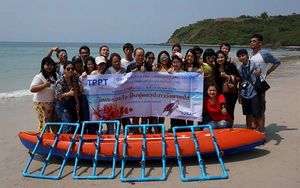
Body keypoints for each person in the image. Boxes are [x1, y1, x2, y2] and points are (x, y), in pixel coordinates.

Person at [249, 34, 281, 132]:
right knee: (253, 107)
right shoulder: (250, 54)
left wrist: (268, 72)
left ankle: (262, 131)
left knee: (261, 107)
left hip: (260, 84)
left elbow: (277, 62)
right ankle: (256, 128)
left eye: (254, 41)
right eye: (250, 41)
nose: (251, 43)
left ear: (260, 43)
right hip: (251, 85)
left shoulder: (264, 53)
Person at [237, 49, 264, 132]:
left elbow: (259, 70)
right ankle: (248, 130)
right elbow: (240, 82)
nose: (241, 57)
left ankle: (261, 132)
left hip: (254, 92)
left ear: (247, 56)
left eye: (243, 55)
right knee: (248, 113)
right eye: (239, 56)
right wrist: (239, 94)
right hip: (245, 93)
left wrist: (258, 72)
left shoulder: (254, 64)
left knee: (257, 114)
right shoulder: (240, 68)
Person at [30, 57, 58, 133]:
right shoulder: (39, 76)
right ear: (43, 66)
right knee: (45, 122)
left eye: (51, 65)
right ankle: (43, 139)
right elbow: (32, 89)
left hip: (51, 103)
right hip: (40, 103)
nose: (49, 67)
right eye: (47, 65)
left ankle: (54, 138)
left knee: (54, 122)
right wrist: (44, 85)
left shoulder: (54, 75)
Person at [214, 50, 240, 124]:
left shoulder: (230, 66)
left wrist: (226, 76)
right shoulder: (215, 68)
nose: (220, 59)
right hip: (219, 94)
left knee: (230, 111)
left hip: (231, 93)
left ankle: (230, 127)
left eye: (222, 57)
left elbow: (238, 78)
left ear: (225, 57)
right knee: (221, 110)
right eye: (218, 58)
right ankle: (223, 126)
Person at [54, 61, 80, 132]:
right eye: (68, 69)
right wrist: (68, 94)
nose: (70, 70)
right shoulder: (60, 81)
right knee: (67, 121)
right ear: (64, 70)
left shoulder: (74, 78)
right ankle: (65, 138)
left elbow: (75, 91)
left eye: (72, 68)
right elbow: (57, 95)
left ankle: (74, 137)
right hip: (61, 103)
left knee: (75, 120)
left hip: (70, 101)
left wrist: (77, 103)